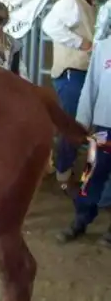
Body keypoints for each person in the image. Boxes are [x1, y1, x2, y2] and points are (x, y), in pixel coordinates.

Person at [41, 0, 109, 185]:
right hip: (72, 72)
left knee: (82, 124)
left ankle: (69, 169)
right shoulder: (71, 3)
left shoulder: (87, 4)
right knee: (74, 124)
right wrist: (81, 43)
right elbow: (49, 26)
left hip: (82, 72)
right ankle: (63, 169)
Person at [56, 36, 111, 246]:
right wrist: (82, 122)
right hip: (103, 125)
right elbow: (91, 85)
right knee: (91, 173)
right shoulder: (104, 47)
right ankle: (81, 219)